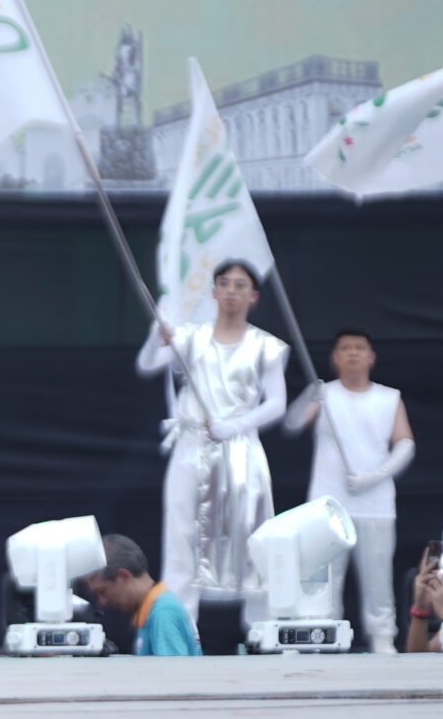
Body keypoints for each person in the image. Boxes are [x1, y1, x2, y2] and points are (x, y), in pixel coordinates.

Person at [135, 260, 287, 611]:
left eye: (240, 284)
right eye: (225, 283)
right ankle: (182, 627)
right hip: (191, 447)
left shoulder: (266, 346)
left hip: (240, 452)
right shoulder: (192, 337)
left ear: (253, 296)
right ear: (215, 292)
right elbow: (147, 364)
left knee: (251, 536)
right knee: (180, 534)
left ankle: (259, 626)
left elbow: (277, 403)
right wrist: (155, 336)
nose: (232, 290)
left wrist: (234, 426)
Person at [293, 328, 415, 653]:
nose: (352, 353)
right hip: (328, 504)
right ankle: (325, 633)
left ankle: (382, 636)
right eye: (345, 348)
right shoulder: (325, 395)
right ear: (334, 358)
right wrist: (309, 397)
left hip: (375, 503)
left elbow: (405, 443)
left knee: (377, 575)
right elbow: (292, 424)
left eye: (359, 348)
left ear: (371, 357)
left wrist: (375, 475)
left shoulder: (389, 397)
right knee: (324, 577)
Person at [82, 534, 201, 656]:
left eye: (102, 591)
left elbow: (174, 674)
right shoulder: (153, 611)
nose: (102, 601)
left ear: (123, 577)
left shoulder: (164, 614)